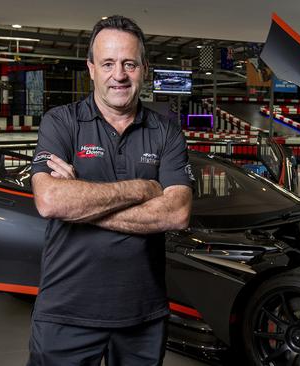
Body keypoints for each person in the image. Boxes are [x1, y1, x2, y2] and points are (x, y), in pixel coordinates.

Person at [27, 15, 193, 366]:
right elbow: (50, 200)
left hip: (143, 314)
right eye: (108, 63)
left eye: (129, 63)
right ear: (91, 68)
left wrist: (83, 204)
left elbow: (176, 213)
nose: (119, 75)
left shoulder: (166, 133)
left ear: (144, 69)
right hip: (65, 312)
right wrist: (144, 188)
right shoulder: (62, 122)